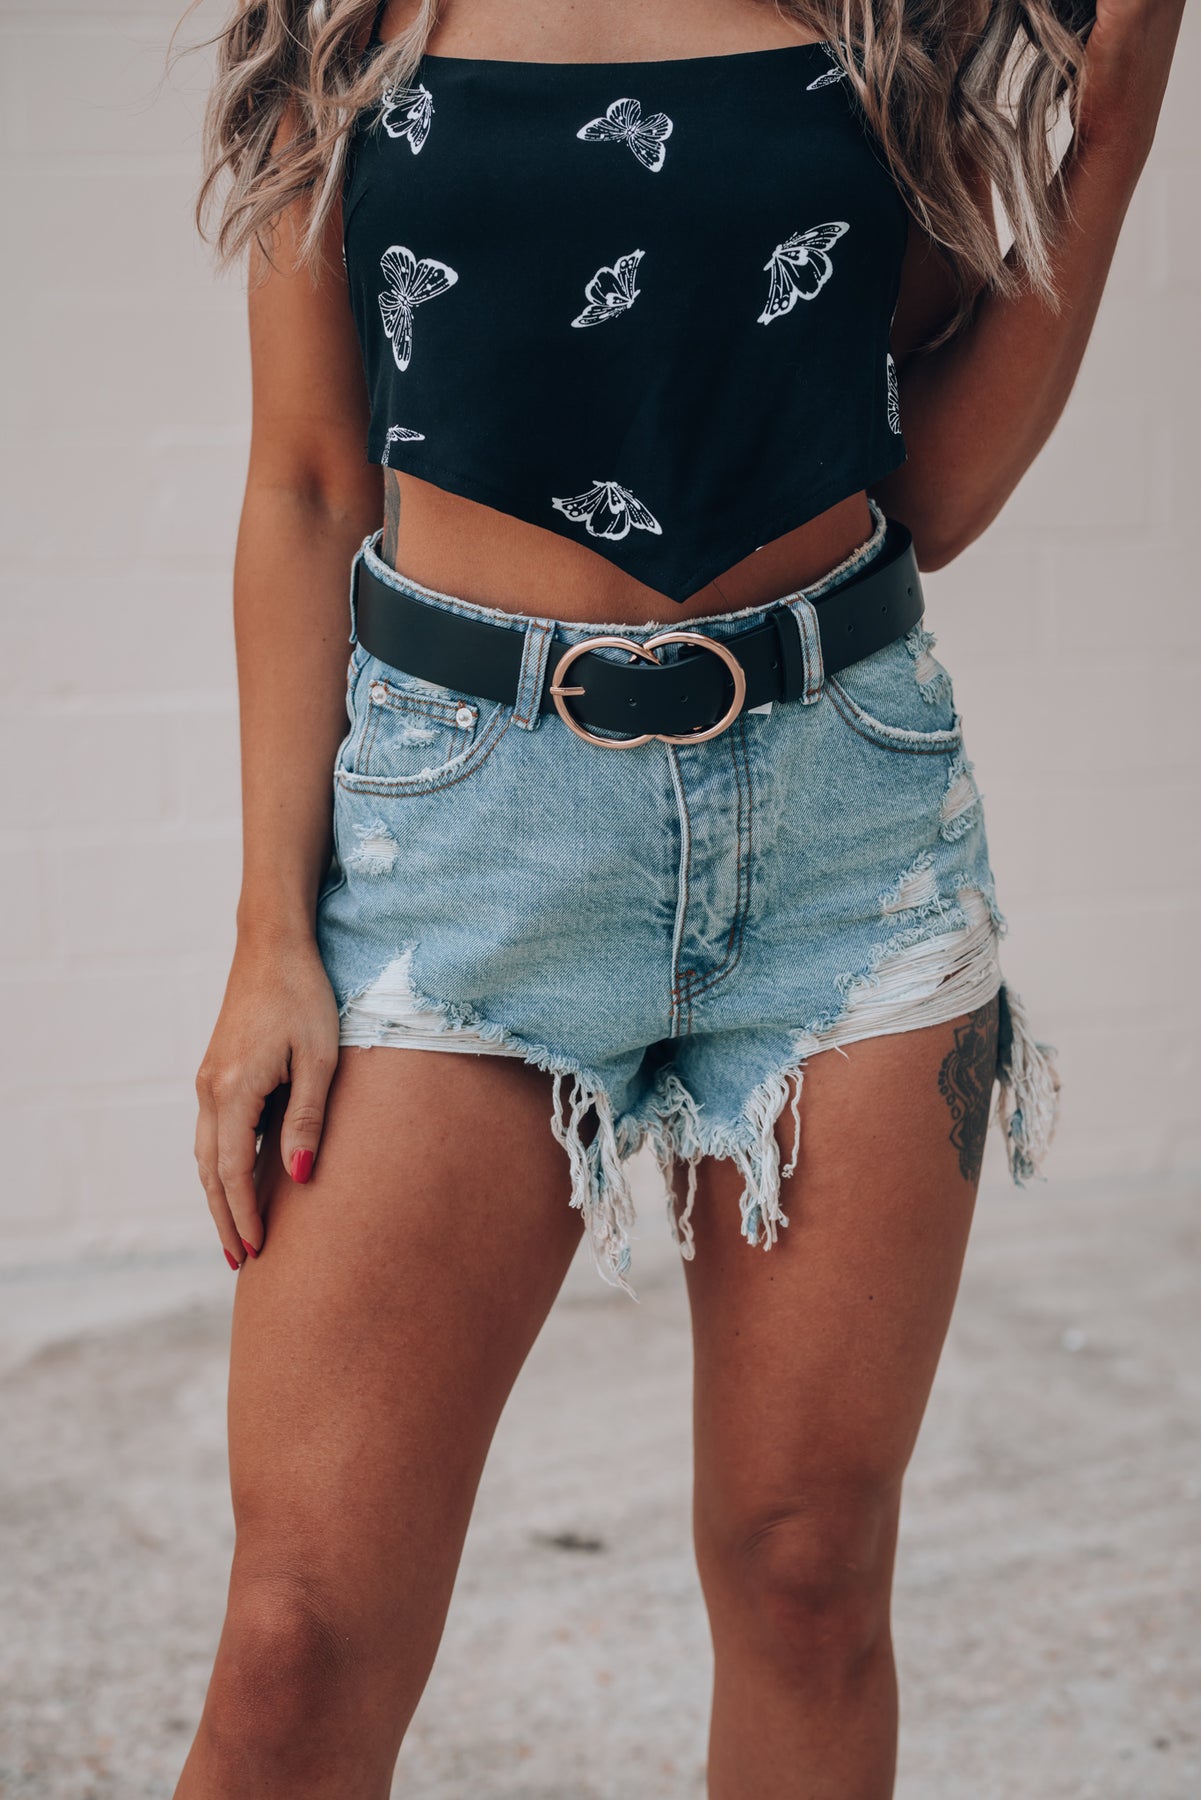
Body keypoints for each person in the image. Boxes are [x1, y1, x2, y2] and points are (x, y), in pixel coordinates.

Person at [173, 1, 1184, 1793]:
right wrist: (270, 935)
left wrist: (1118, 99)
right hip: (461, 846)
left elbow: (932, 484)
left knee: (810, 1580)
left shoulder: (886, 17)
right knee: (298, 1635)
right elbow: (311, 480)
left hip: (844, 831)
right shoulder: (348, 22)